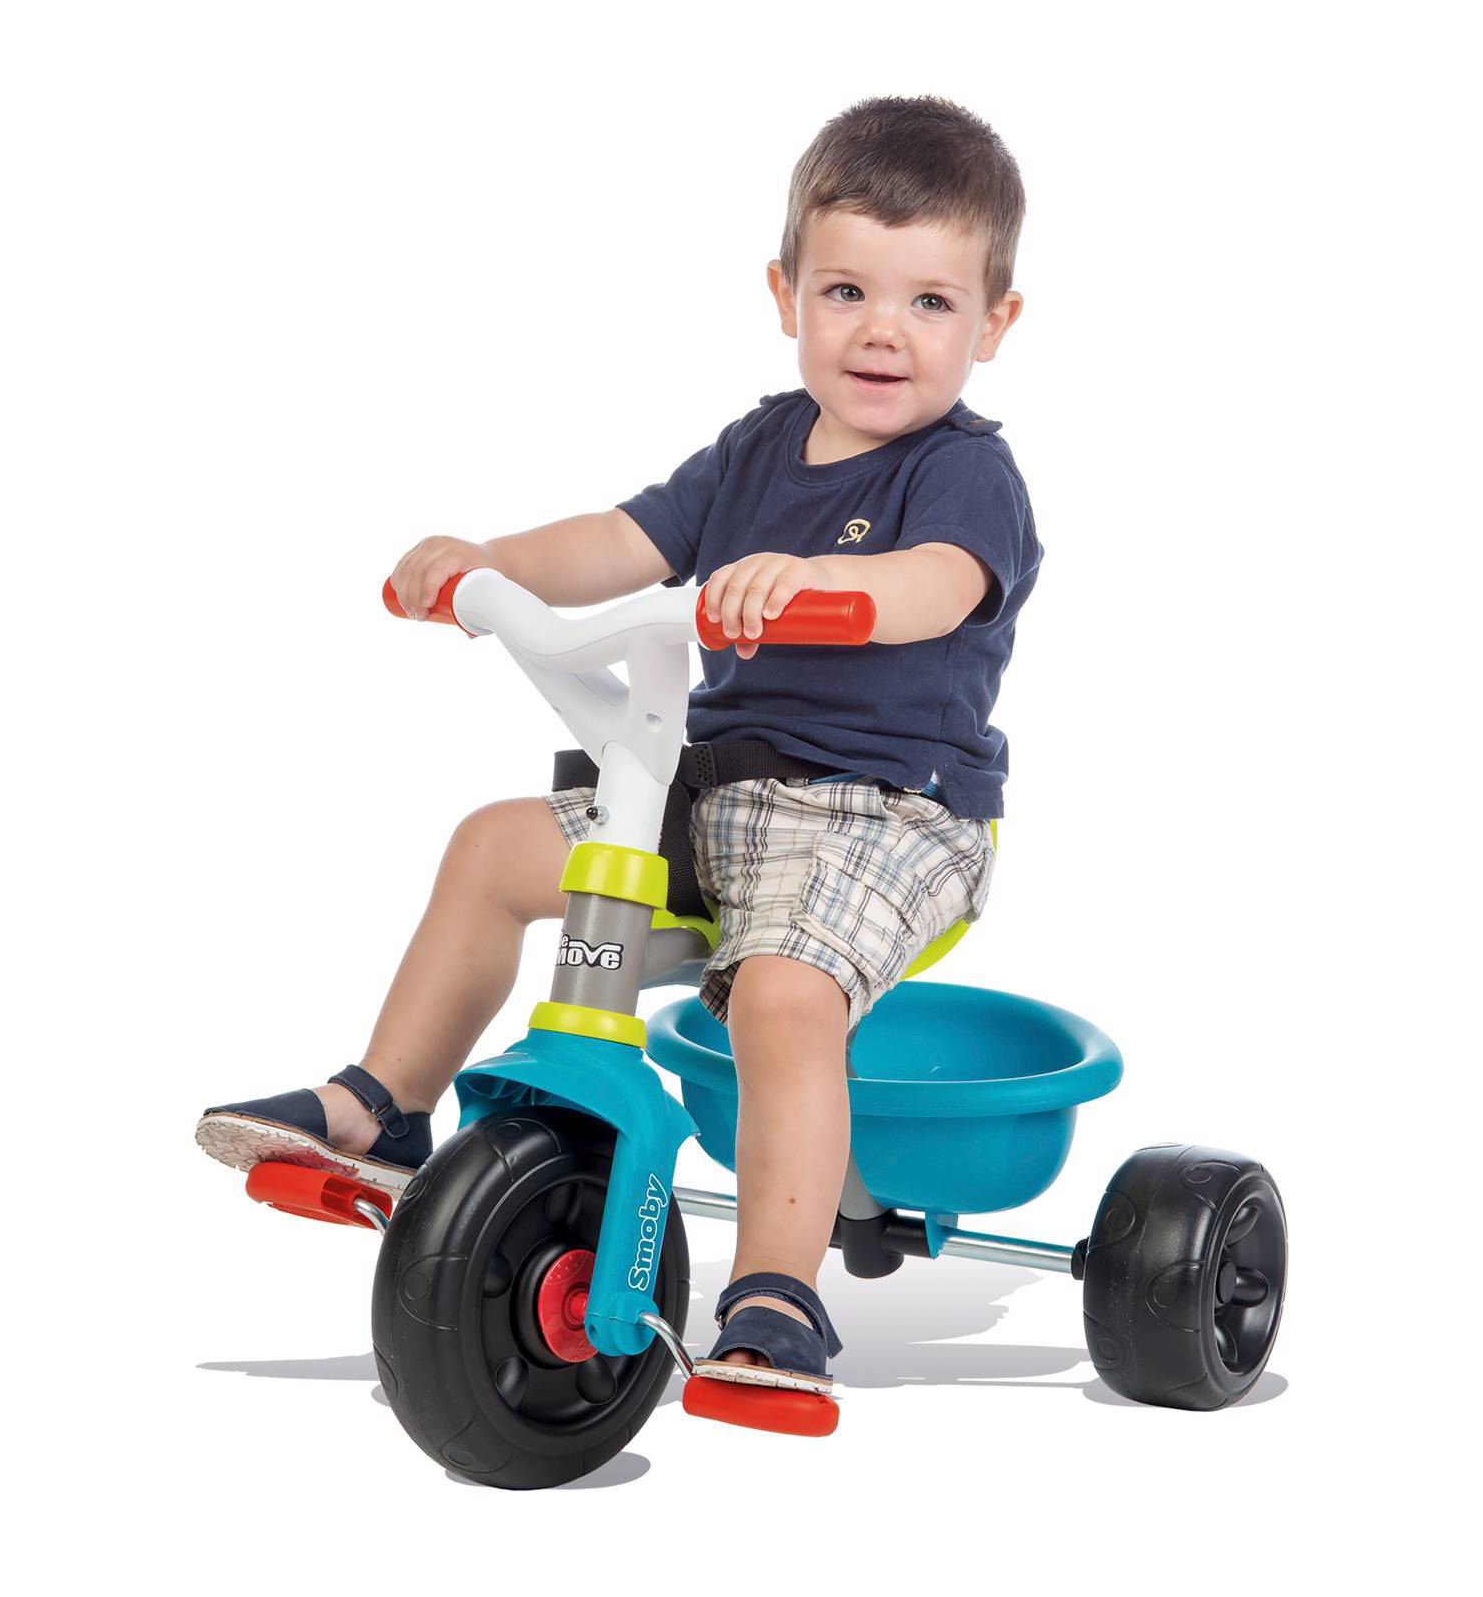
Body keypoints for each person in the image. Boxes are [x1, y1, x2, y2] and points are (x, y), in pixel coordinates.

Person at [196, 94, 1043, 1388]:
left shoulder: (963, 472)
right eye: (846, 291)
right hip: (715, 798)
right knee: (492, 849)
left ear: (993, 322)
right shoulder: (756, 447)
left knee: (782, 996)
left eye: (931, 302)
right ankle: (386, 1105)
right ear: (786, 294)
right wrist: (488, 565)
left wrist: (827, 585)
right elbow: (622, 540)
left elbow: (940, 584)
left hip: (888, 814)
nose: (883, 329)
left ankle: (776, 1295)